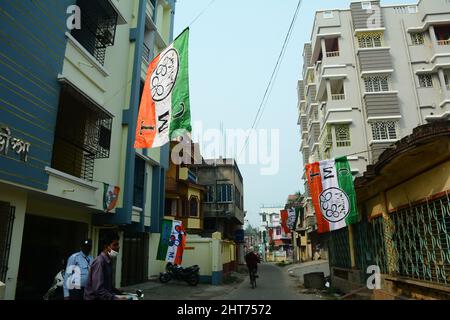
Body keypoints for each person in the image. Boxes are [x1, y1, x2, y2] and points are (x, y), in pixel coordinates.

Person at [84, 231, 127, 300]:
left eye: (118, 244)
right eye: (115, 245)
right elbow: (98, 289)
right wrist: (115, 298)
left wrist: (116, 290)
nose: (118, 247)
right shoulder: (100, 262)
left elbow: (106, 285)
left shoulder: (108, 261)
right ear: (107, 247)